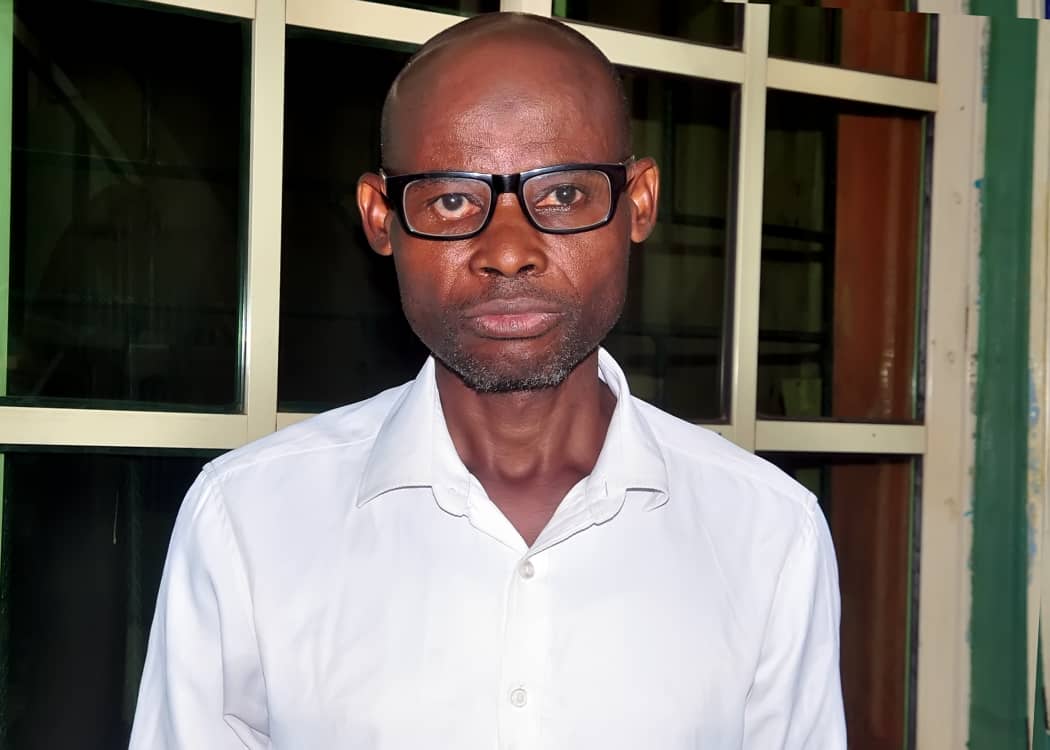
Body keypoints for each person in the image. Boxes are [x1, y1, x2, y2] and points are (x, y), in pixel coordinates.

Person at [129, 12, 846, 749]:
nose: (507, 250)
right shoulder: (249, 521)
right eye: (451, 200)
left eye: (563, 195)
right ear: (380, 218)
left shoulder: (767, 535)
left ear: (638, 202)